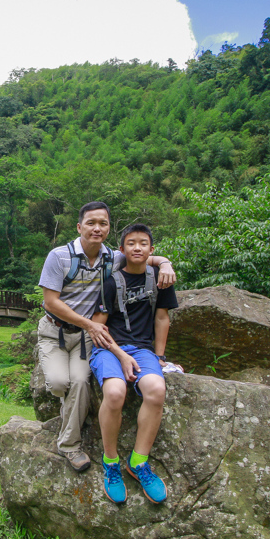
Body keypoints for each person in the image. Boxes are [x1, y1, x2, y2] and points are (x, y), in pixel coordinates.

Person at [37, 201, 175, 473]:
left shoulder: (113, 257)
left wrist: (166, 263)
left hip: (89, 338)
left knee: (79, 382)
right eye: (91, 223)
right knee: (58, 383)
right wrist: (90, 324)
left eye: (103, 224)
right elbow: (51, 302)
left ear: (109, 229)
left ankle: (69, 446)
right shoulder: (58, 256)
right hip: (56, 332)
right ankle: (69, 427)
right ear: (79, 227)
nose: (97, 228)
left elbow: (143, 255)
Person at [89, 223, 178, 504]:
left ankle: (138, 462)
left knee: (156, 389)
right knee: (115, 392)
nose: (137, 248)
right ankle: (111, 461)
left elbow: (162, 318)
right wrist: (120, 355)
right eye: (130, 243)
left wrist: (160, 357)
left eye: (143, 243)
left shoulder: (160, 279)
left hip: (142, 350)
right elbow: (97, 327)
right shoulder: (111, 281)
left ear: (152, 250)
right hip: (108, 348)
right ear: (121, 250)